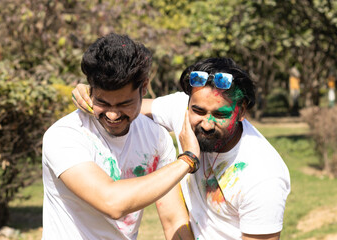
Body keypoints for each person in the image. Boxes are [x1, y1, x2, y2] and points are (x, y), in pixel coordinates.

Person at [73, 57, 291, 240]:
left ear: (241, 111)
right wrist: (95, 95)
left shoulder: (264, 174)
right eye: (198, 111)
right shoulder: (182, 110)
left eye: (220, 115)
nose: (206, 123)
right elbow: (129, 107)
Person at [42, 33, 199, 240]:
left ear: (144, 88)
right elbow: (112, 203)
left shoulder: (155, 137)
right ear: (91, 91)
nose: (113, 115)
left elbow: (173, 220)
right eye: (103, 103)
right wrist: (187, 160)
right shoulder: (65, 135)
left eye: (124, 104)